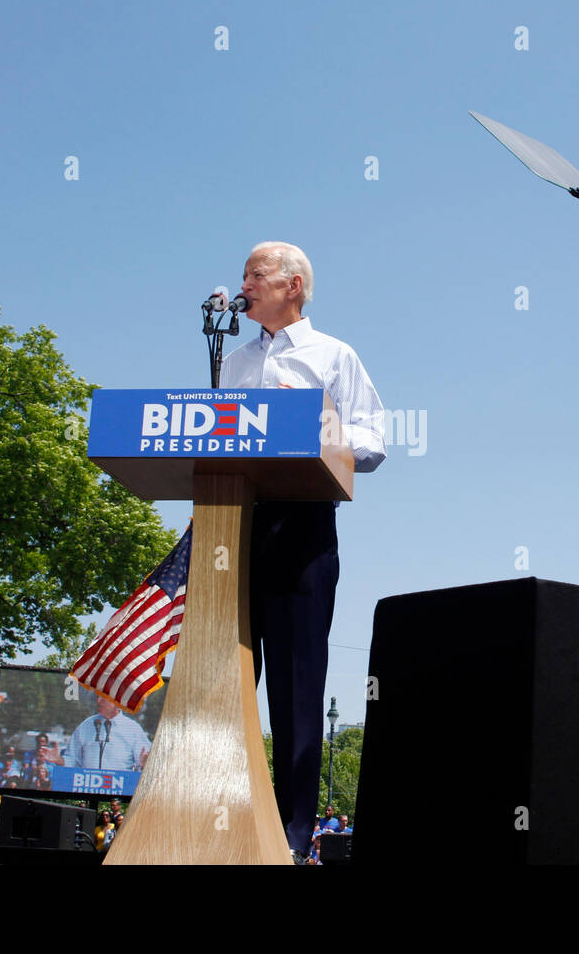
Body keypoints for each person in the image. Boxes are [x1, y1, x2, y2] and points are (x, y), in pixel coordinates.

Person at [221, 241, 386, 861]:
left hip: (304, 527)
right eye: (242, 276)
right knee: (228, 677)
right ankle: (227, 819)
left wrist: (321, 429)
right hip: (234, 527)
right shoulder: (232, 361)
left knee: (295, 686)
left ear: (293, 285)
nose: (245, 285)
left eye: (255, 275)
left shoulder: (333, 355)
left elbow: (373, 441)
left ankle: (291, 836)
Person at [62, 691, 151, 771]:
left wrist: (144, 765)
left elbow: (145, 763)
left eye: (103, 697)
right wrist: (60, 760)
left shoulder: (132, 729)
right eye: (98, 696)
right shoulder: (86, 726)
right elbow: (72, 760)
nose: (98, 701)